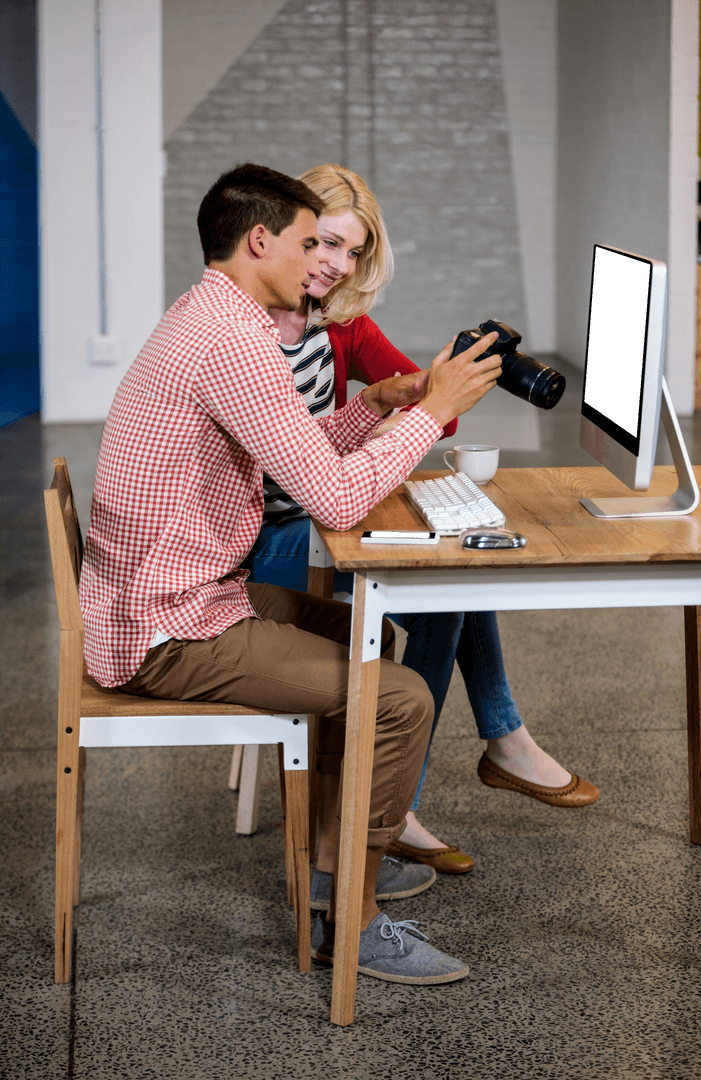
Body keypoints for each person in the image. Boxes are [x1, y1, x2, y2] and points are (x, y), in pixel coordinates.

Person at [79, 162, 506, 986]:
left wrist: (377, 404)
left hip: (180, 592)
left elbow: (299, 461)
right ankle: (350, 918)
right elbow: (335, 499)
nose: (326, 264)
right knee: (400, 695)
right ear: (261, 240)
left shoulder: (213, 317)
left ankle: (331, 865)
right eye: (311, 242)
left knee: (371, 633)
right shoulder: (234, 343)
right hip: (166, 628)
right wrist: (429, 411)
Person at [241, 164, 599, 899]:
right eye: (327, 243)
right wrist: (401, 414)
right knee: (445, 583)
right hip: (269, 547)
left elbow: (409, 417)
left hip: (305, 516)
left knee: (454, 564)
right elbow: (303, 478)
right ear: (287, 235)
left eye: (353, 253)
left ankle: (472, 756)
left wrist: (409, 392)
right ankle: (425, 785)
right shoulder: (252, 335)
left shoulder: (324, 321)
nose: (336, 264)